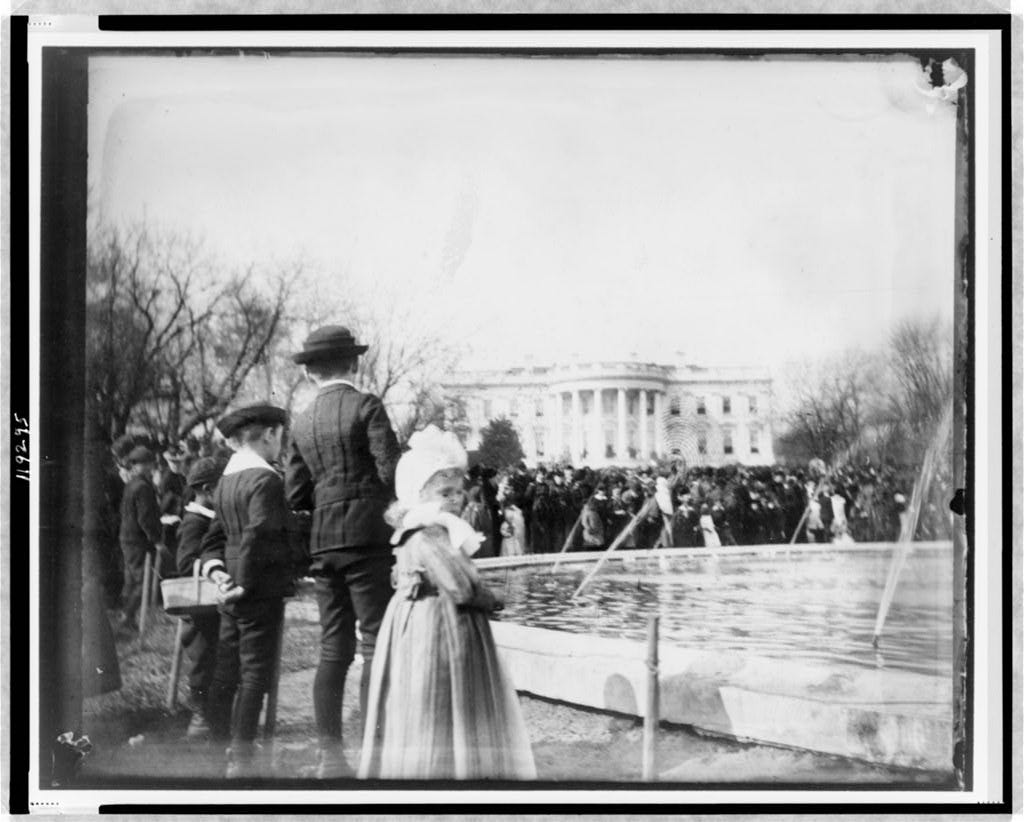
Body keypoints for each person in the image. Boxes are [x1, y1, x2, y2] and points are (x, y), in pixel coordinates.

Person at [359, 426, 536, 780]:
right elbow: (459, 586)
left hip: (410, 619)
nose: (455, 499)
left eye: (458, 491)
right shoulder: (431, 532)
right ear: (417, 494)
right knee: (442, 691)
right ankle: (451, 770)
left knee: (420, 694)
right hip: (440, 622)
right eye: (444, 492)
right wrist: (493, 598)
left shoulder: (411, 531)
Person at [284, 325, 402, 779]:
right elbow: (389, 469)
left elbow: (296, 493)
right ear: (354, 364)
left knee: (333, 648)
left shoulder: (302, 421)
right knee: (375, 643)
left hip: (323, 543)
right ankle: (375, 751)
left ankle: (330, 757)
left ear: (311, 372)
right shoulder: (366, 405)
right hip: (368, 539)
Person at [200, 403, 305, 778]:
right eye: (281, 437)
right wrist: (242, 584)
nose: (281, 446)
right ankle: (242, 758)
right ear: (270, 435)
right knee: (256, 673)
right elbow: (258, 535)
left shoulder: (227, 481)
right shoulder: (266, 480)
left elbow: (213, 538)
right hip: (256, 589)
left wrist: (217, 575)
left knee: (226, 670)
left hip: (230, 588)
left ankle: (216, 749)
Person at [175, 455, 227, 740]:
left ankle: (212, 716)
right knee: (202, 660)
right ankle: (200, 716)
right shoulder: (194, 522)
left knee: (215, 660)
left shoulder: (206, 519)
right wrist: (213, 568)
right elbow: (185, 563)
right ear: (209, 490)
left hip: (212, 608)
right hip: (199, 611)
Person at [117, 446, 165, 631]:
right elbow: (145, 519)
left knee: (131, 579)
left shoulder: (132, 484)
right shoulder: (143, 487)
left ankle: (126, 617)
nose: (147, 467)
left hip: (127, 537)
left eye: (148, 463)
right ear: (135, 466)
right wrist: (157, 541)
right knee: (142, 579)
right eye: (142, 464)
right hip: (137, 540)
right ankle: (127, 617)